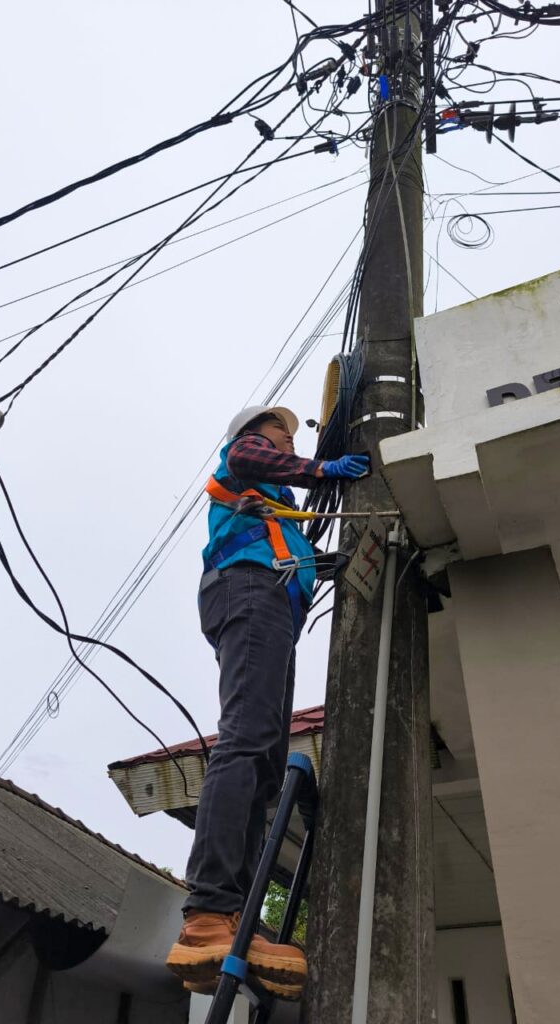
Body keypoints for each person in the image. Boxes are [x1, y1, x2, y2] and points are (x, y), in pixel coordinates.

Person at [166, 405, 369, 1000]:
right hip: (248, 592)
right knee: (247, 742)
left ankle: (235, 921)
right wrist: (325, 464)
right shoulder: (243, 465)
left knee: (267, 763)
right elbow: (250, 455)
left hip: (271, 605)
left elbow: (297, 547)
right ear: (256, 435)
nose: (288, 434)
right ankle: (207, 912)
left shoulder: (280, 511)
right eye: (281, 429)